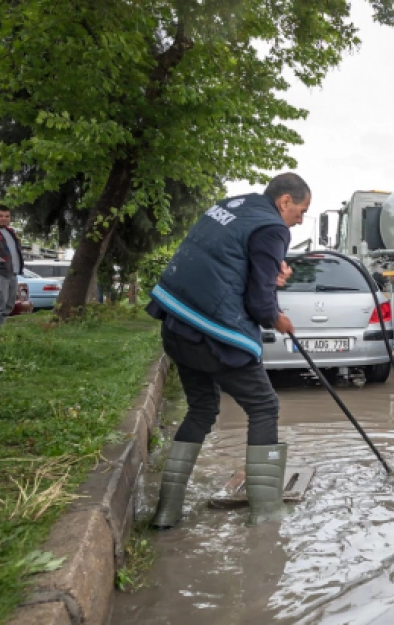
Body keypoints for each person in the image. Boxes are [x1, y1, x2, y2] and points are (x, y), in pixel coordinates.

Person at [146, 173, 309, 528]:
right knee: (264, 406)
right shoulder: (273, 228)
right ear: (284, 202)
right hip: (214, 334)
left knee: (202, 409)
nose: (300, 220)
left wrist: (270, 277)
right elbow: (258, 302)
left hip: (176, 323)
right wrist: (277, 319)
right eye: (300, 211)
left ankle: (166, 511)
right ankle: (266, 514)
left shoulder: (234, 206)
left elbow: (230, 263)